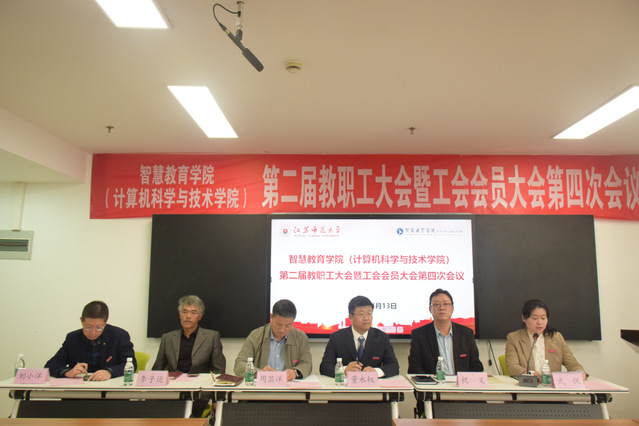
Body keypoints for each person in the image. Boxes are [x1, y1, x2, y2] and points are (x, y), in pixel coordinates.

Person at [152, 295, 226, 418]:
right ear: (179, 314)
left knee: (186, 416)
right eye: (185, 312)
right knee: (155, 412)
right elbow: (157, 369)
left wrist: (217, 400)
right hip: (172, 390)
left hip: (197, 392)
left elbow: (219, 371)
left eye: (193, 313)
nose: (188, 316)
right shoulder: (167, 338)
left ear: (200, 316)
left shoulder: (211, 337)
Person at [45, 300, 136, 381]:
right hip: (80, 390)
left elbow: (131, 364)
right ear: (81, 321)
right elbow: (51, 365)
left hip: (110, 390)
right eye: (88, 327)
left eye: (99, 327)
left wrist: (110, 372)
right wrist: (67, 372)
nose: (93, 332)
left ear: (105, 323)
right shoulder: (73, 338)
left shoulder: (119, 336)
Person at [319, 295, 399, 378]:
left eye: (369, 313)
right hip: (346, 385)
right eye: (361, 314)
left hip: (373, 385)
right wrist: (344, 370)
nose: (366, 318)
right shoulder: (337, 338)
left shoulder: (382, 338)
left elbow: (394, 366)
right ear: (351, 317)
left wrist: (376, 372)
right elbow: (324, 367)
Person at [407, 288, 483, 374]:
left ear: (452, 308)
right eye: (436, 304)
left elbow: (476, 366)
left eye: (446, 304)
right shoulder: (419, 335)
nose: (442, 308)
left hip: (460, 382)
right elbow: (415, 368)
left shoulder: (466, 334)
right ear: (430, 309)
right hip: (433, 382)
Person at [505, 299, 586, 378]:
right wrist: (532, 374)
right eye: (535, 318)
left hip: (550, 385)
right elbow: (512, 367)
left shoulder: (556, 337)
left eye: (543, 318)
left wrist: (580, 372)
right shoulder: (514, 338)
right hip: (527, 384)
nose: (540, 322)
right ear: (524, 318)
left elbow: (572, 364)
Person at [234, 299, 312, 381]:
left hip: (288, 386)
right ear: (271, 317)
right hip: (262, 386)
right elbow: (239, 364)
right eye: (278, 324)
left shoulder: (300, 337)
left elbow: (307, 364)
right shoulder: (256, 335)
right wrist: (258, 373)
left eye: (287, 325)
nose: (282, 330)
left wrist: (295, 372)